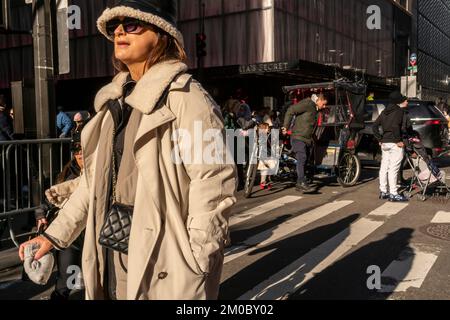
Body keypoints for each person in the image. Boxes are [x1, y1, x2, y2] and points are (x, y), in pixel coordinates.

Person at [19, 0, 236, 301]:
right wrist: (53, 236)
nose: (120, 31)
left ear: (162, 33)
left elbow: (214, 180)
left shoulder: (188, 98)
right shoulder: (114, 104)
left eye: (131, 23)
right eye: (114, 26)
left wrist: (198, 256)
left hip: (162, 256)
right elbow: (91, 184)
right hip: (111, 249)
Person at [35, 137, 85, 300]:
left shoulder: (101, 171)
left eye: (84, 152)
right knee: (69, 270)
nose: (81, 156)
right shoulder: (68, 174)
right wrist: (41, 214)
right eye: (77, 153)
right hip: (69, 233)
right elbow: (51, 196)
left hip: (93, 231)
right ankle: (61, 295)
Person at [282, 93, 328, 193]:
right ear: (319, 100)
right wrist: (285, 126)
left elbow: (310, 126)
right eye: (323, 104)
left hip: (306, 139)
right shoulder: (307, 103)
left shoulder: (315, 110)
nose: (324, 106)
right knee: (302, 157)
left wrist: (314, 139)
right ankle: (301, 182)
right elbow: (291, 110)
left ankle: (300, 182)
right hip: (298, 136)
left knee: (305, 159)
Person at [372, 91, 409, 202]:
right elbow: (395, 126)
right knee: (393, 168)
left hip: (385, 143)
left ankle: (383, 191)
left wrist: (379, 139)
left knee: (384, 167)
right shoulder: (399, 111)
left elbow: (374, 126)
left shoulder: (384, 112)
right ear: (398, 100)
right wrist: (398, 140)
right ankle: (393, 193)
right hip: (394, 143)